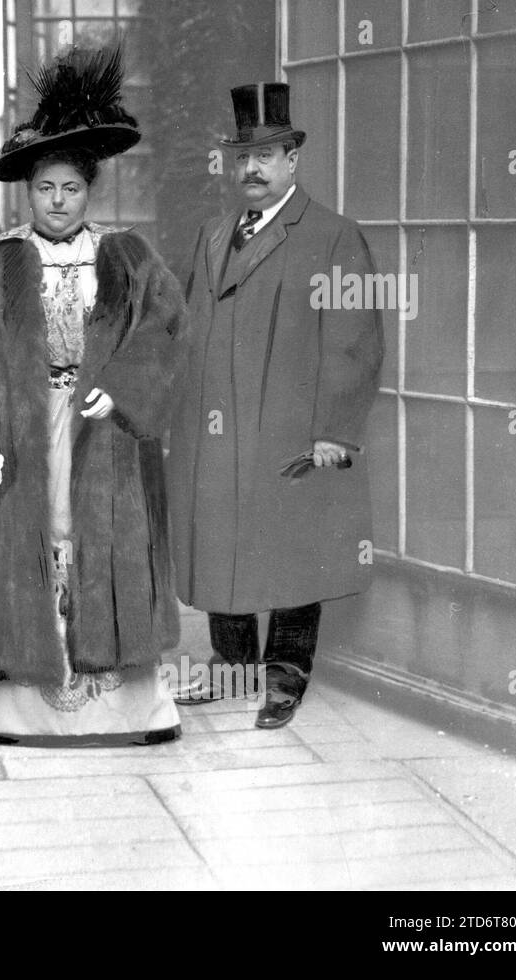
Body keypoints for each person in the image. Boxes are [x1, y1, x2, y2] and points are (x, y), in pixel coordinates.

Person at [0, 47, 189, 746]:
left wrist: (125, 389)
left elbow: (166, 332)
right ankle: (6, 708)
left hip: (102, 433)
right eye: (45, 187)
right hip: (21, 432)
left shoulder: (128, 257)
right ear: (27, 189)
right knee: (26, 543)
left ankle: (119, 706)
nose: (57, 201)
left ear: (89, 190)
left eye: (71, 187)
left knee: (96, 545)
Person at [166, 82, 384, 729]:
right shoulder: (211, 235)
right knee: (218, 539)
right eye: (242, 157)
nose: (252, 169)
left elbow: (355, 346)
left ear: (293, 158)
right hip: (216, 428)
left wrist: (334, 433)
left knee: (294, 545)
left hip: (290, 431)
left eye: (266, 154)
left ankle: (286, 673)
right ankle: (231, 663)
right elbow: (183, 327)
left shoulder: (333, 237)